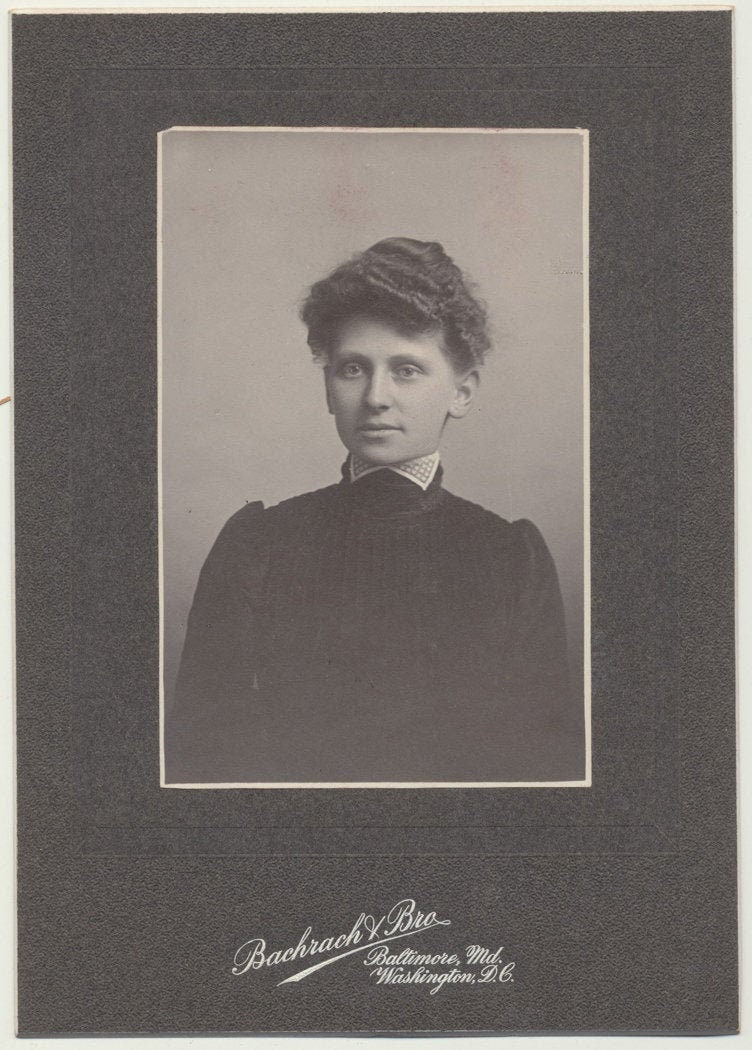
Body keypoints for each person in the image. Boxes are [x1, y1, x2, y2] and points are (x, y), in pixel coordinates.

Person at [165, 237, 585, 784]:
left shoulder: (510, 554)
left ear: (461, 392)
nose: (376, 397)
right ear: (327, 386)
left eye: (407, 370)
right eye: (353, 368)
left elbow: (541, 763)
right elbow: (202, 753)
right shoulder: (260, 543)